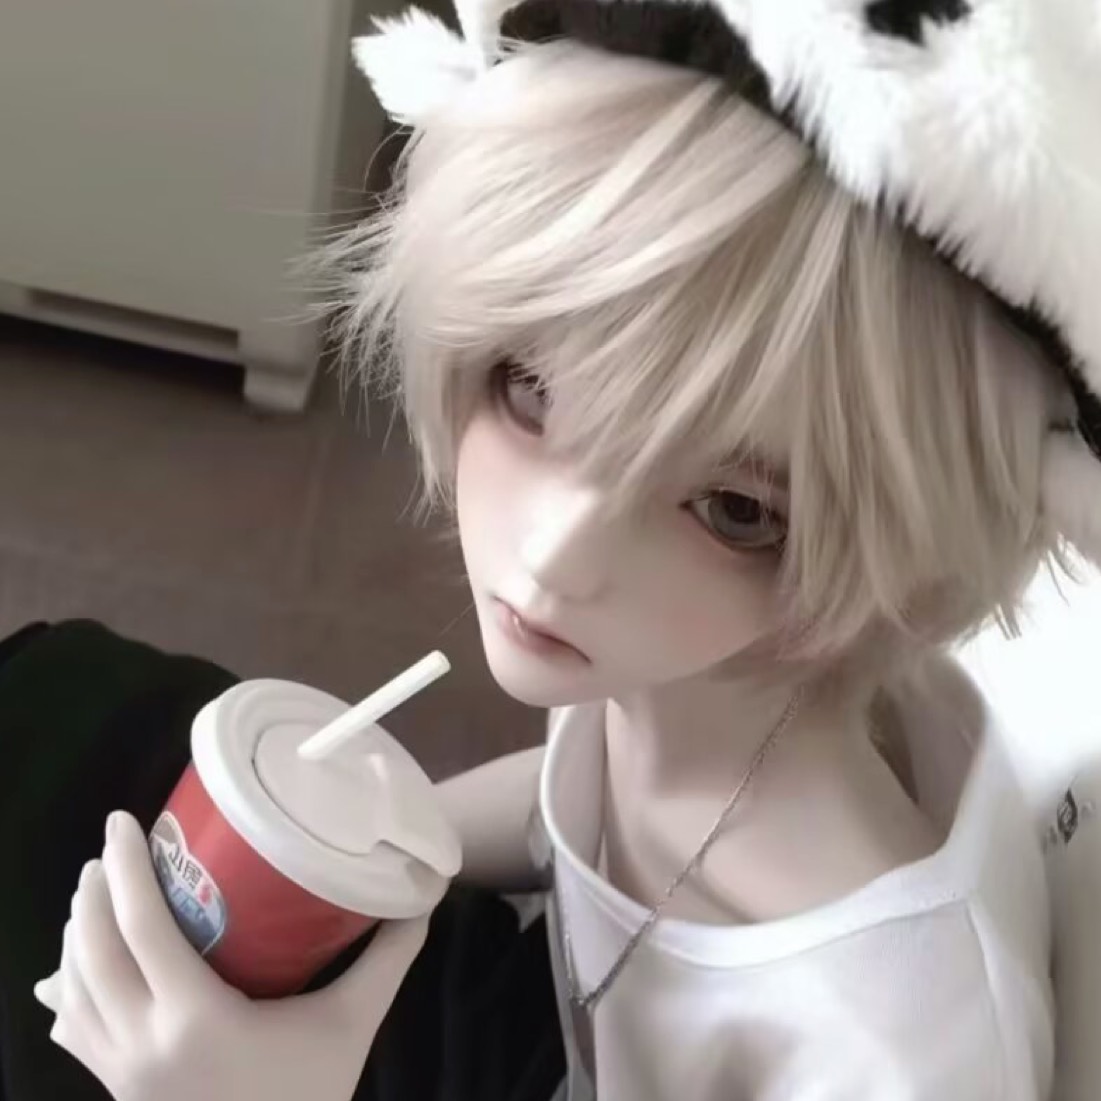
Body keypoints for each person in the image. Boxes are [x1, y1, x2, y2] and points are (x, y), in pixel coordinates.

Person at [30, 0, 1101, 1098]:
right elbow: (575, 799)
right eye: (530, 391)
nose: (552, 558)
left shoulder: (895, 1048)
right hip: (520, 1000)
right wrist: (393, 847)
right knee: (54, 703)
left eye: (736, 510)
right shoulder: (681, 670)